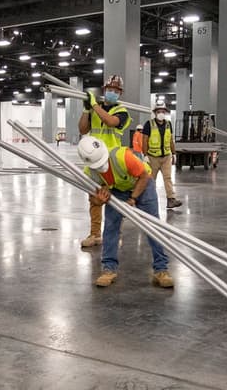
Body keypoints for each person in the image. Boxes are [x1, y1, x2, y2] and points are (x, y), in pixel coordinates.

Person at [76, 135, 173, 289]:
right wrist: (100, 199)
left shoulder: (122, 156)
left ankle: (161, 270)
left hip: (143, 186)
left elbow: (144, 176)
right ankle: (109, 269)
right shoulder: (90, 173)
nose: (102, 167)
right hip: (118, 191)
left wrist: (133, 198)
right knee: (110, 228)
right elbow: (93, 200)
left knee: (153, 226)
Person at [76, 75, 132, 248]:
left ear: (120, 93)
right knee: (94, 200)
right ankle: (95, 235)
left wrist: (94, 105)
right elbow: (83, 129)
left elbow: (110, 121)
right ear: (104, 89)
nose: (111, 93)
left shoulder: (121, 111)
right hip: (94, 162)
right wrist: (87, 110)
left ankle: (114, 235)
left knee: (114, 202)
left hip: (112, 162)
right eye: (109, 89)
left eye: (115, 91)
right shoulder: (95, 108)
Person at [140, 100, 183, 208]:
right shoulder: (149, 124)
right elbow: (144, 140)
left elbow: (170, 140)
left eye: (162, 111)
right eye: (158, 111)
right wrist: (145, 155)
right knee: (150, 180)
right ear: (155, 113)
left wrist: (174, 153)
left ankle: (171, 199)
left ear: (165, 112)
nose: (161, 113)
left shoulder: (168, 124)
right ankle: (148, 200)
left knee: (168, 178)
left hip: (166, 157)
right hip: (153, 157)